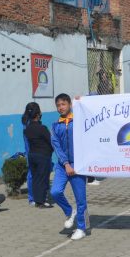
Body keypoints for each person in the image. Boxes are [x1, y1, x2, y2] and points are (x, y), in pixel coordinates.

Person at [50, 93, 88, 240]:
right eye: (58, 105)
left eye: (63, 104)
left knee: (81, 199)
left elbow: (95, 102)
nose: (61, 107)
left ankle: (81, 228)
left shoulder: (78, 120)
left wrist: (82, 99)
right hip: (62, 166)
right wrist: (65, 164)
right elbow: (57, 147)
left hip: (78, 164)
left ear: (70, 105)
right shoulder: (55, 126)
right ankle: (69, 211)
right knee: (55, 192)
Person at [22, 102, 53, 208]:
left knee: (35, 178)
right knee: (43, 178)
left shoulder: (27, 129)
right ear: (38, 114)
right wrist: (50, 150)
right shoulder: (42, 128)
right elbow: (51, 141)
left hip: (32, 155)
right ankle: (42, 200)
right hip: (42, 156)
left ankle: (35, 200)